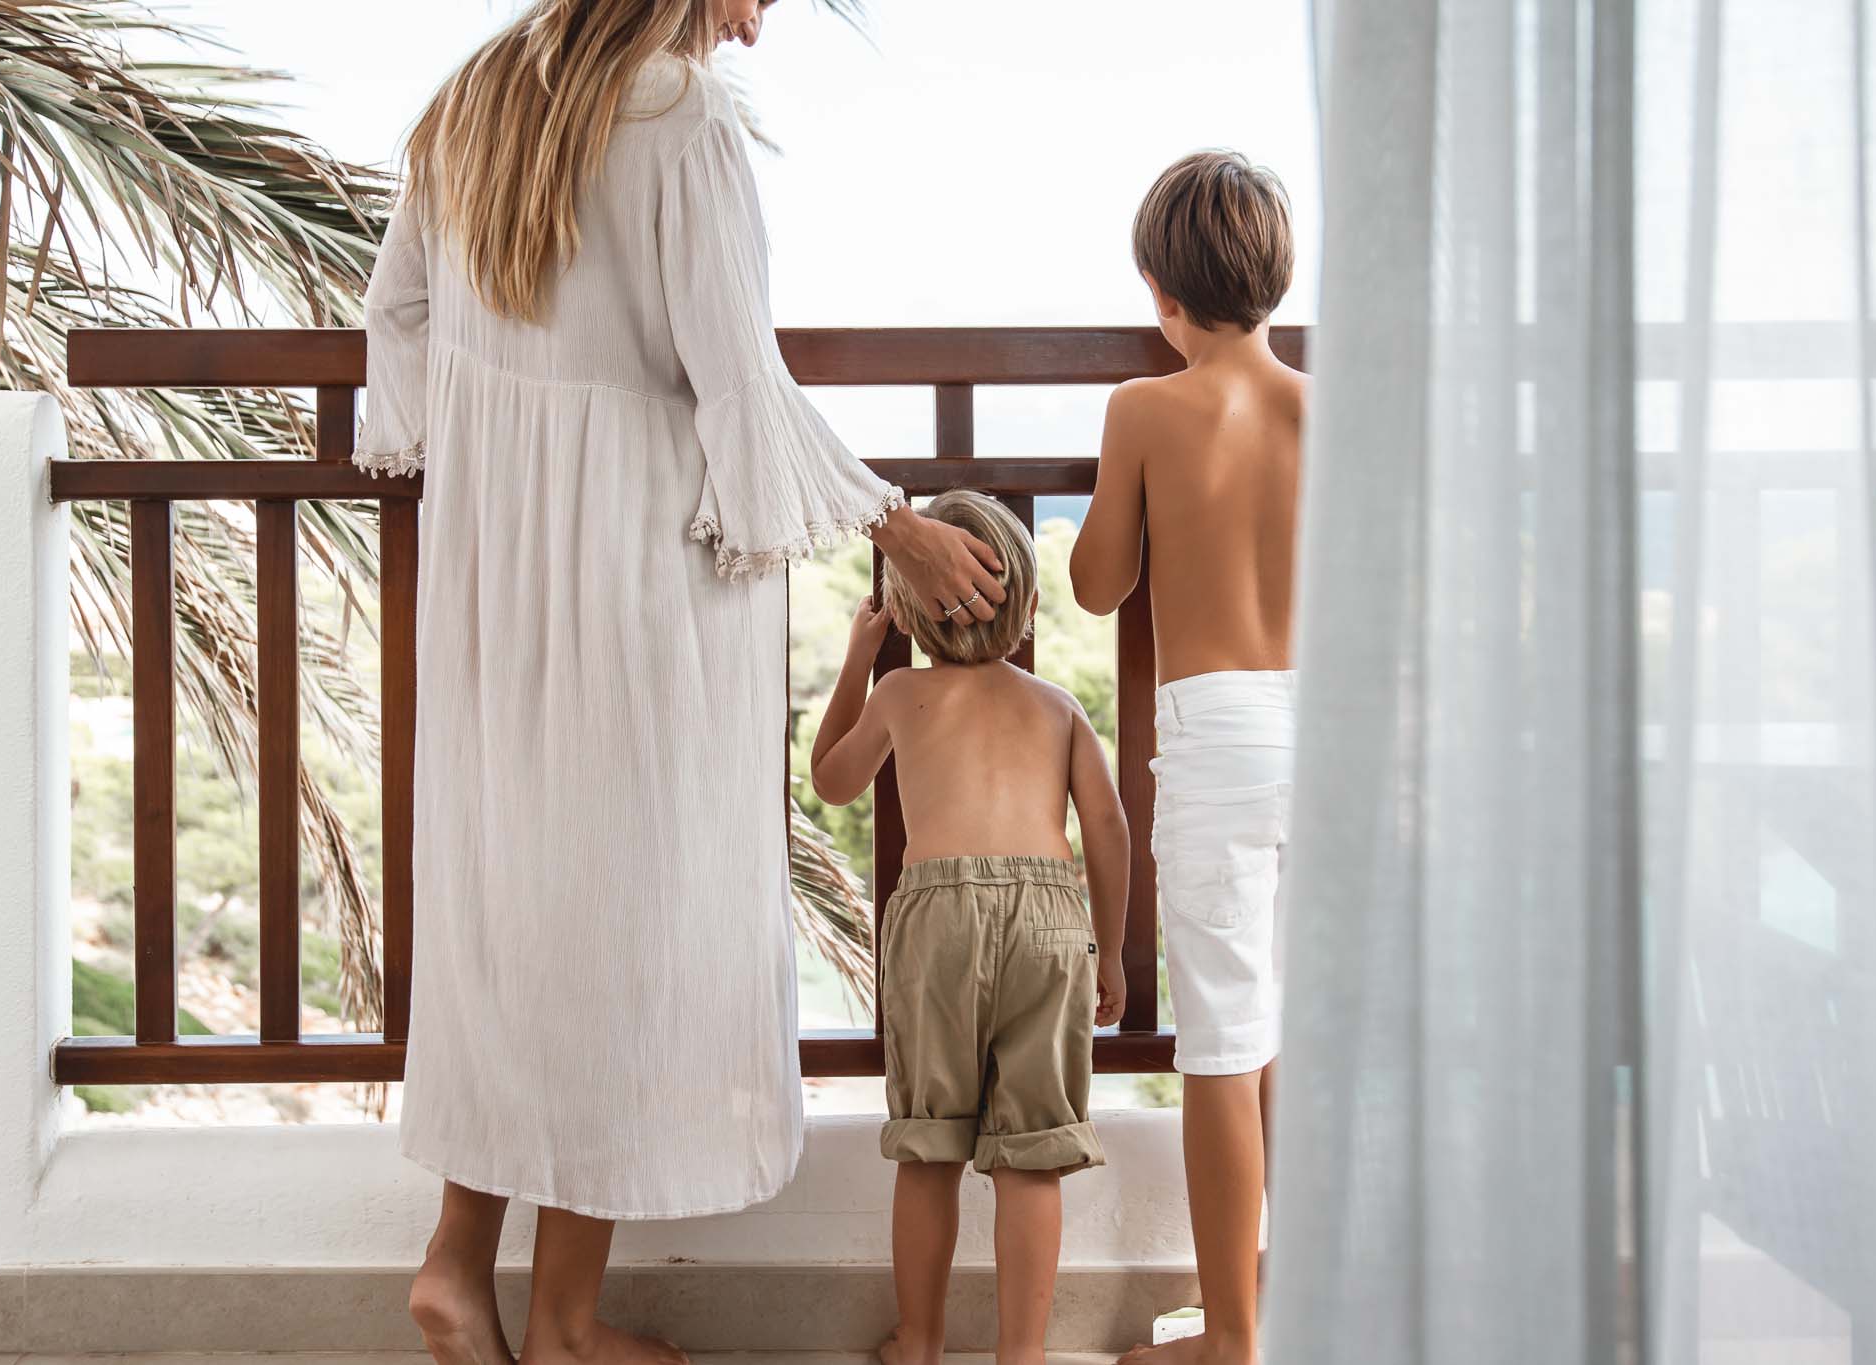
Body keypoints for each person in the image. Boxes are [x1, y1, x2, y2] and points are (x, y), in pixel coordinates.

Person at [357, 3, 1007, 1362]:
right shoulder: (681, 117)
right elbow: (737, 379)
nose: (754, 29)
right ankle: (561, 1320)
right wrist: (896, 525)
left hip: (496, 579)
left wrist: (492, 454)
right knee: (620, 922)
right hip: (640, 576)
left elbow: (399, 315)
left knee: (516, 911)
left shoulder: (475, 94)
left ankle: (457, 1265)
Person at [1069, 150, 1304, 1365]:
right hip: (1326, 735)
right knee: (1293, 1034)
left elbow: (1096, 582)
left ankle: (1230, 1336)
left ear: (1160, 291)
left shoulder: (1143, 408)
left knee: (1221, 1044)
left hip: (1218, 742)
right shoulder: (1324, 407)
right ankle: (1305, 1305)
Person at [809, 490, 1130, 1365]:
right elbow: (1107, 827)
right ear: (1029, 605)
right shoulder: (1058, 706)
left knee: (929, 1146)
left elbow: (831, 779)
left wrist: (860, 656)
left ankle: (919, 1340)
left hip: (937, 920)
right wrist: (1111, 950)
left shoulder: (900, 692)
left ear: (907, 610)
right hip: (1049, 921)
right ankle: (1021, 1354)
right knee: (1033, 1154)